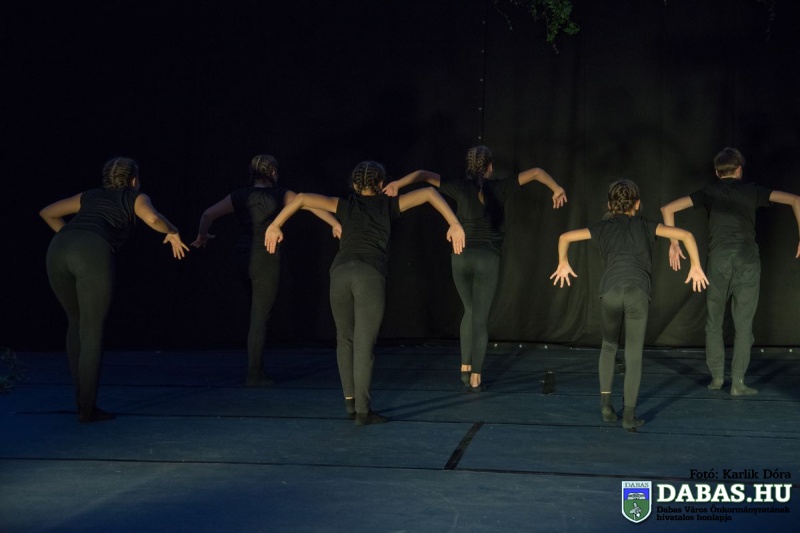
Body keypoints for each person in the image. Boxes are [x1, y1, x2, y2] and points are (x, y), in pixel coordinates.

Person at [265, 160, 465, 425]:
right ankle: (363, 411)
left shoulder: (344, 205)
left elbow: (301, 198)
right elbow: (429, 193)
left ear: (355, 185)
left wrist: (275, 225)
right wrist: (454, 223)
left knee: (344, 339)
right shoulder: (388, 205)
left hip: (340, 272)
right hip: (368, 274)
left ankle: (350, 403)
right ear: (381, 184)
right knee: (363, 344)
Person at [382, 145, 567, 392]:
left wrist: (397, 184)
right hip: (487, 259)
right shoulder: (501, 187)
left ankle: (464, 367)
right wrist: (556, 188)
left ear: (468, 167)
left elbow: (423, 174)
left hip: (461, 257)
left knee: (468, 311)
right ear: (490, 167)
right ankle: (476, 376)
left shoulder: (458, 186)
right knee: (480, 317)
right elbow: (535, 173)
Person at [40, 157, 189, 423]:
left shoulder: (89, 195)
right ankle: (87, 410)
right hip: (91, 251)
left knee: (75, 322)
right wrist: (173, 231)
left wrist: (71, 238)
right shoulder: (135, 196)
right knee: (92, 331)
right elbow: (153, 218)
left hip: (58, 249)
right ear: (134, 180)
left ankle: (82, 400)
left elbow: (47, 212)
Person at [550, 179, 709, 430]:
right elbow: (686, 235)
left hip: (610, 293)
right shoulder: (646, 225)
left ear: (610, 205)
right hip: (637, 293)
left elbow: (564, 237)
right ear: (637, 204)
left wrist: (563, 262)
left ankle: (606, 407)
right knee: (633, 354)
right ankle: (629, 417)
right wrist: (696, 266)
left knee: (608, 346)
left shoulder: (602, 227)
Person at [191, 154, 341, 387]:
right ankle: (254, 375)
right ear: (273, 173)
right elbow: (310, 205)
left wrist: (202, 236)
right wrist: (335, 223)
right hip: (265, 258)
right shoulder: (280, 194)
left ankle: (255, 369)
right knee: (259, 318)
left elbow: (208, 214)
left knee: (255, 315)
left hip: (242, 257)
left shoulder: (240, 195)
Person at [661, 147, 800, 396]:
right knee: (743, 326)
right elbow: (796, 200)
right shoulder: (753, 191)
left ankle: (716, 378)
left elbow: (667, 209)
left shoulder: (709, 192)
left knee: (714, 322)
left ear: (717, 172)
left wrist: (674, 243)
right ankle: (738, 383)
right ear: (739, 170)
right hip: (747, 261)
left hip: (719, 261)